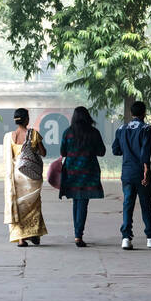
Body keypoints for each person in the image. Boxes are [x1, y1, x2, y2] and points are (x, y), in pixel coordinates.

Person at [112, 100, 151, 249]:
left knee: (128, 204)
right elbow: (145, 152)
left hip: (127, 172)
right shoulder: (147, 129)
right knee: (146, 204)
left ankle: (126, 238)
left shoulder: (121, 129)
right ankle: (150, 237)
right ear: (144, 113)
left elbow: (116, 150)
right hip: (141, 172)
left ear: (131, 113)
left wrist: (127, 150)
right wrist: (146, 171)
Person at [57, 106, 106, 247]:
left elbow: (63, 152)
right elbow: (101, 151)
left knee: (76, 202)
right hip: (88, 171)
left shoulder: (68, 132)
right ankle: (78, 235)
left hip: (72, 171)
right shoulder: (93, 132)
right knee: (83, 202)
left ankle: (77, 234)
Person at [3, 108, 48, 246]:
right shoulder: (33, 134)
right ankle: (33, 233)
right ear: (27, 119)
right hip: (31, 175)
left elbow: (8, 158)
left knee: (18, 205)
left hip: (16, 175)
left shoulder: (9, 137)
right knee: (33, 206)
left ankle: (21, 239)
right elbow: (43, 152)